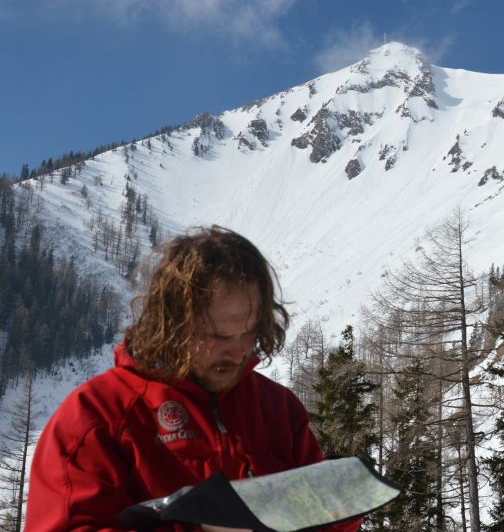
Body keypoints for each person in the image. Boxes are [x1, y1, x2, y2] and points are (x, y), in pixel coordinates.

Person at [25, 227, 363, 532]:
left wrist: (342, 506)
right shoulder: (96, 417)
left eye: (249, 332)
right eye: (217, 336)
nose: (239, 350)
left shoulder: (277, 409)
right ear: (170, 325)